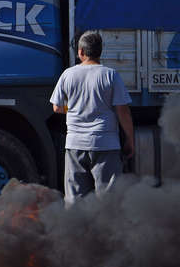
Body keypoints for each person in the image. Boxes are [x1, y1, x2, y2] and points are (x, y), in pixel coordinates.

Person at [50, 31, 134, 203]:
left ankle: (76, 230)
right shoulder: (111, 75)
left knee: (75, 202)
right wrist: (130, 139)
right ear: (100, 51)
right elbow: (122, 111)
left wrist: (74, 108)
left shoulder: (68, 74)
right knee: (108, 202)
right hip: (106, 144)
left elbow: (57, 107)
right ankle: (107, 231)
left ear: (80, 52)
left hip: (75, 145)